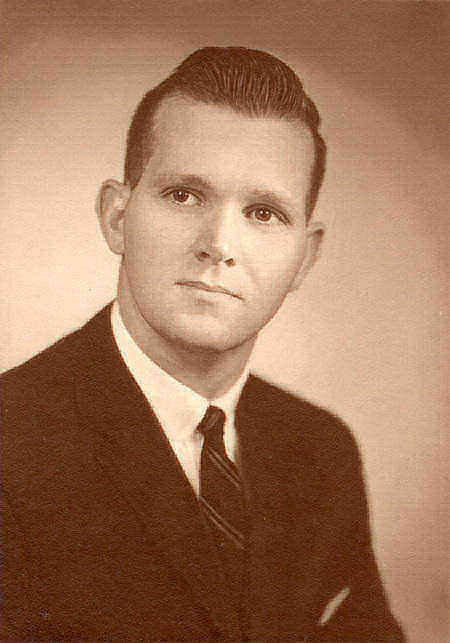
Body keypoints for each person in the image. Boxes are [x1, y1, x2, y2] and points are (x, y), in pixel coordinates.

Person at [1, 47, 405, 640]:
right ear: (117, 217)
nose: (219, 244)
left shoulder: (321, 452)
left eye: (263, 212)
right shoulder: (11, 440)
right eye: (184, 195)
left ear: (305, 256)